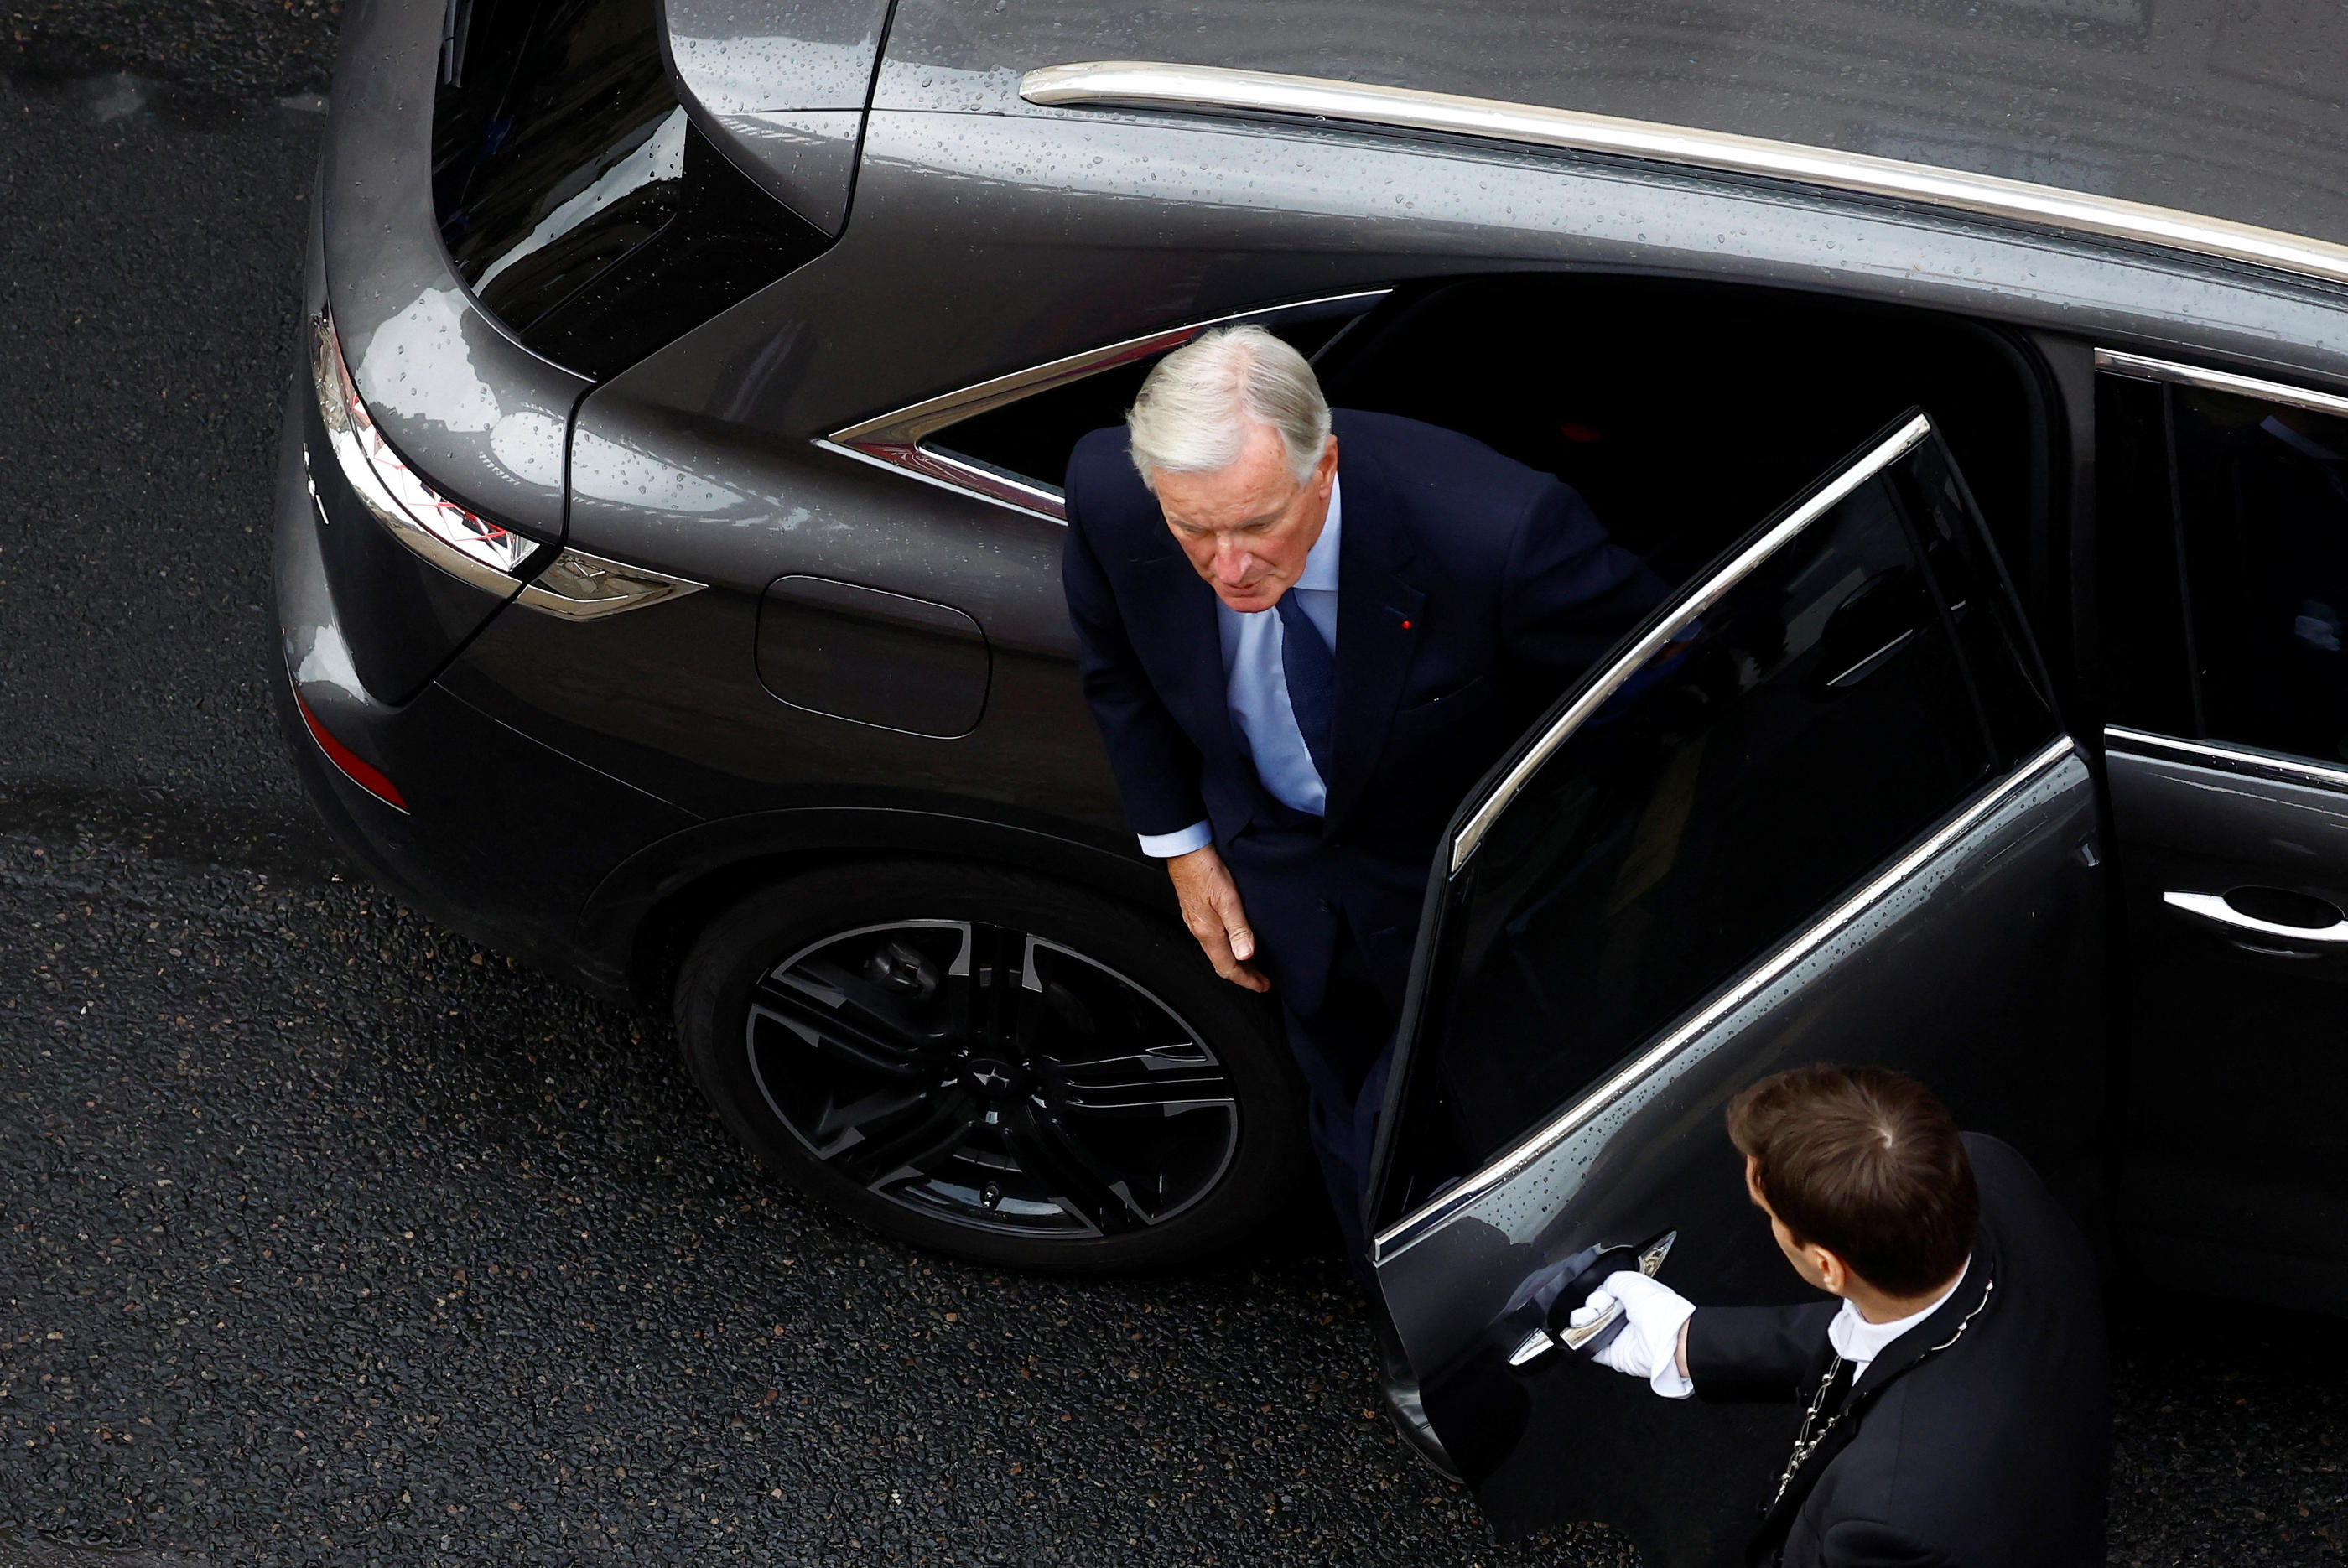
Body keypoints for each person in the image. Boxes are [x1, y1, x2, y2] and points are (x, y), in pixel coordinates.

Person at [1059, 324, 1663, 1474]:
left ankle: (1578, 1354)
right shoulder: (1113, 488)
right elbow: (1118, 669)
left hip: (1484, 917)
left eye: (1255, 528)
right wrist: (1184, 848)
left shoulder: (1500, 535)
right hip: (1285, 893)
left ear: (1322, 466)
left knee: (1522, 1138)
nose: (1227, 569)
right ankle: (1427, 1340)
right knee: (1354, 1131)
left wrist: (1559, 875)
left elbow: (1661, 692)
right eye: (1194, 532)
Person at [1572, 1065, 2108, 1566]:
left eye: (1770, 1217)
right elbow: (1881, 1337)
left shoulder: (1891, 1519)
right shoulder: (1988, 1168)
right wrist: (1686, 1341)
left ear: (1828, 1265)